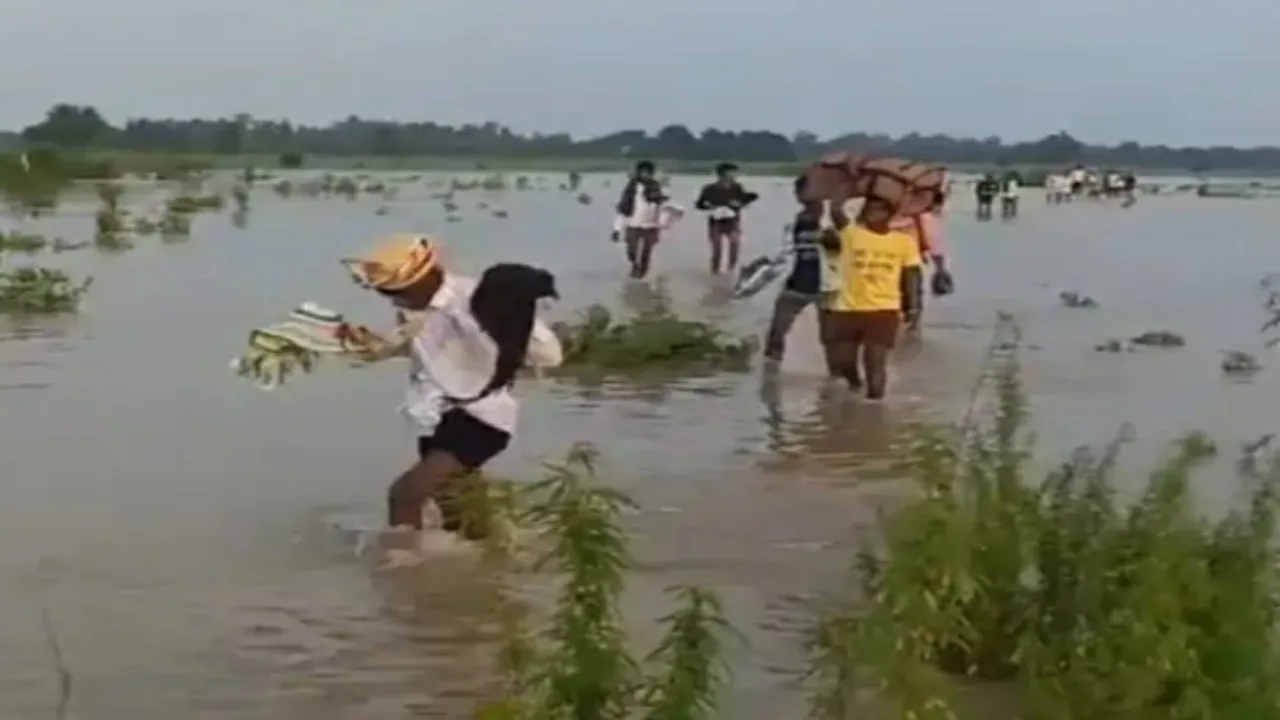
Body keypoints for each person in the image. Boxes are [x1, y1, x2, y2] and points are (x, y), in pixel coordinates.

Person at [344, 237, 563, 563]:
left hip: (480, 418)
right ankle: (491, 570)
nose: (393, 300)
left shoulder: (480, 300)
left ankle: (405, 580)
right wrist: (372, 346)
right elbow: (420, 349)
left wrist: (492, 327)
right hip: (436, 415)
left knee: (405, 495)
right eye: (387, 293)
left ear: (425, 278)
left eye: (397, 291)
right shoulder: (413, 310)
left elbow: (550, 356)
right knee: (460, 512)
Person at [819, 194, 924, 402]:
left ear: (890, 215)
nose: (872, 215)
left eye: (878, 210)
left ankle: (875, 409)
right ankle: (855, 385)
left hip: (883, 311)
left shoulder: (904, 242)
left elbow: (912, 275)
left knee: (875, 362)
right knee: (843, 362)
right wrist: (848, 189)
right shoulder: (851, 234)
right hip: (846, 309)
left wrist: (913, 307)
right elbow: (836, 211)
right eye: (868, 210)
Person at [763, 175, 829, 369]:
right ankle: (770, 374)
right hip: (796, 283)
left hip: (827, 286)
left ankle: (836, 376)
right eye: (800, 192)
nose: (802, 196)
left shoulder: (833, 221)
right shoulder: (794, 222)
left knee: (832, 336)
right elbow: (785, 254)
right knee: (777, 331)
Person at [694, 162, 759, 275]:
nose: (734, 175)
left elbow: (743, 200)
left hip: (732, 221)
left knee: (735, 246)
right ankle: (714, 273)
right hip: (716, 222)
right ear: (722, 174)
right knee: (717, 249)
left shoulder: (737, 187)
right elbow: (699, 204)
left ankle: (730, 272)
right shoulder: (709, 189)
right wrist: (709, 206)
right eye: (731, 173)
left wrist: (740, 203)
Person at [612, 160, 668, 279]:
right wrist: (616, 229)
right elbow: (623, 208)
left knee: (646, 254)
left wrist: (661, 227)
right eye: (643, 172)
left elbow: (662, 208)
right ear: (639, 173)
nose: (645, 175)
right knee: (631, 250)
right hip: (633, 223)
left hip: (651, 225)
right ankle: (635, 267)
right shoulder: (631, 188)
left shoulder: (656, 187)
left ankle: (641, 278)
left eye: (648, 173)